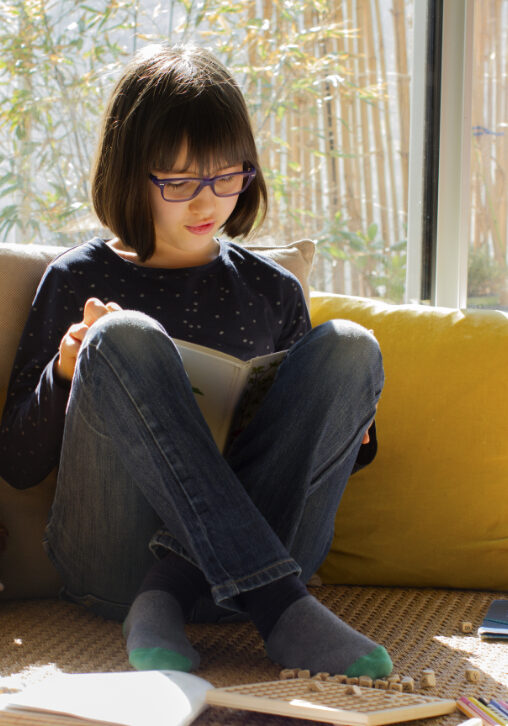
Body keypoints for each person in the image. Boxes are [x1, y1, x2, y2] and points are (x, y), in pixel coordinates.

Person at [0, 43, 391, 679]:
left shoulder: (272, 289)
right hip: (110, 565)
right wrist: (68, 371)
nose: (207, 203)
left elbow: (336, 462)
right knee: (124, 336)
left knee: (350, 346)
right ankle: (278, 607)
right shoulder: (77, 278)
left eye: (227, 176)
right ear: (131, 175)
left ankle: (168, 596)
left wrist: (348, 421)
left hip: (265, 546)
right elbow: (16, 465)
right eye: (179, 182)